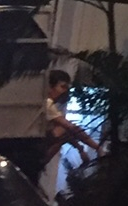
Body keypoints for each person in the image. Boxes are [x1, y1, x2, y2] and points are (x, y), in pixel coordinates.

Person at [40, 67, 99, 198]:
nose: (65, 91)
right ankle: (99, 149)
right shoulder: (47, 103)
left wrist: (80, 149)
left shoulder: (48, 103)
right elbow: (69, 127)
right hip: (40, 145)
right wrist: (95, 147)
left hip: (44, 143)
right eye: (62, 87)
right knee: (67, 128)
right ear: (50, 86)